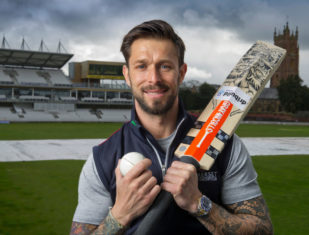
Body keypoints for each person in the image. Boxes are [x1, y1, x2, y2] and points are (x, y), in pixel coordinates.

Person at [70, 19, 273, 235]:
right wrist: (120, 214)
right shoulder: (103, 157)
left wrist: (199, 204)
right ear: (127, 76)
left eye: (165, 66)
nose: (154, 78)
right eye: (141, 66)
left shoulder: (224, 145)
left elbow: (263, 230)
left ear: (182, 73)